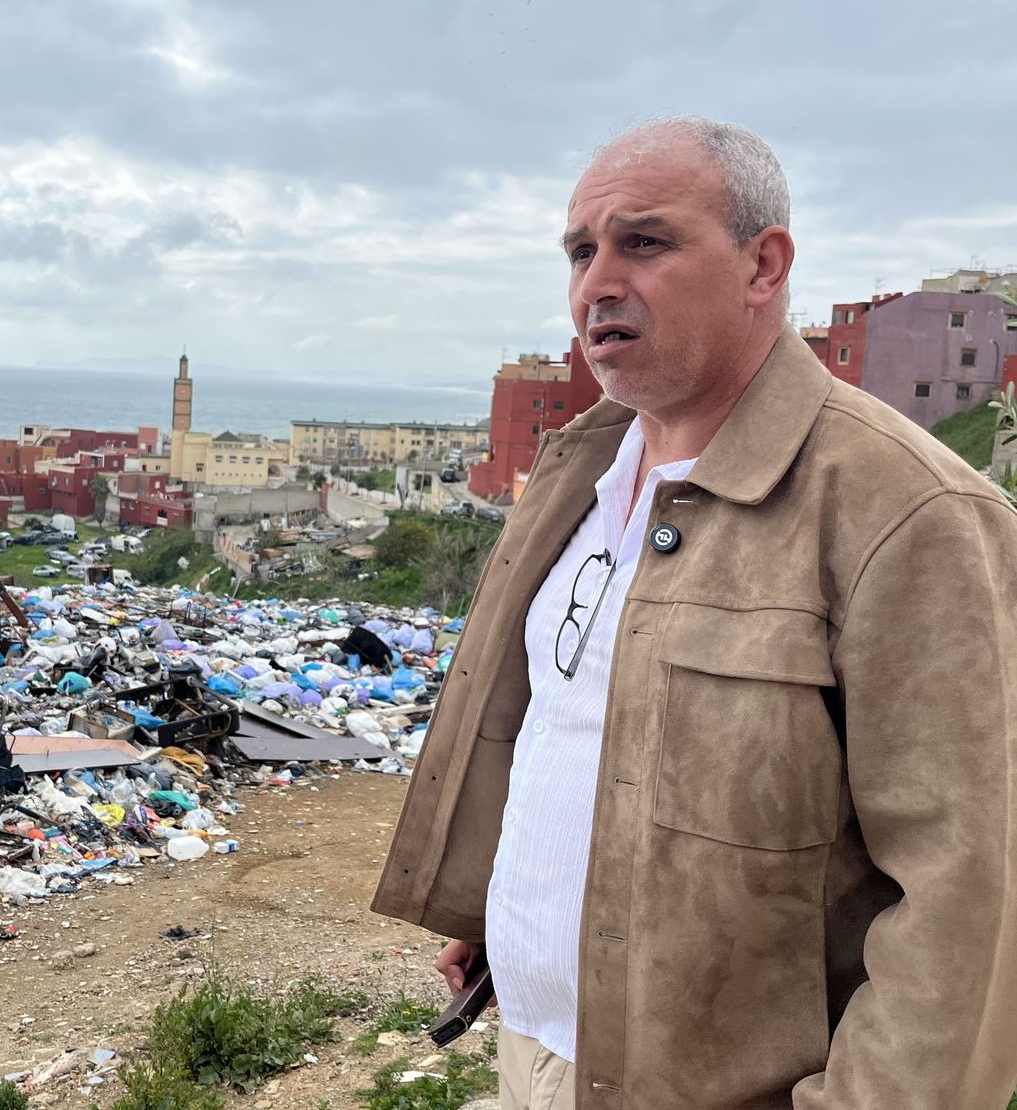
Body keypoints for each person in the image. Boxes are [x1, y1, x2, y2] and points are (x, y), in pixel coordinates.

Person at [372, 116, 1017, 1109]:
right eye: (580, 252)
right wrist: (506, 907)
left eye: (644, 242)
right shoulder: (580, 472)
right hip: (535, 1049)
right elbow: (573, 730)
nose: (596, 283)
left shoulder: (908, 513)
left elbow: (970, 900)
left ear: (763, 265)